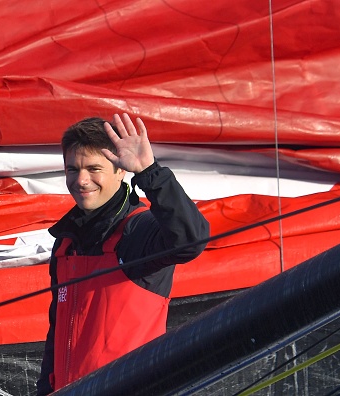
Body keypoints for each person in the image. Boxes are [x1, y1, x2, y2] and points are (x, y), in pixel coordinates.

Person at [36, 113, 210, 394]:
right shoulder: (65, 245)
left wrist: (149, 172)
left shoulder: (137, 231)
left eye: (94, 169)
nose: (81, 180)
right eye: (72, 169)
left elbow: (191, 240)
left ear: (120, 170)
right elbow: (56, 336)